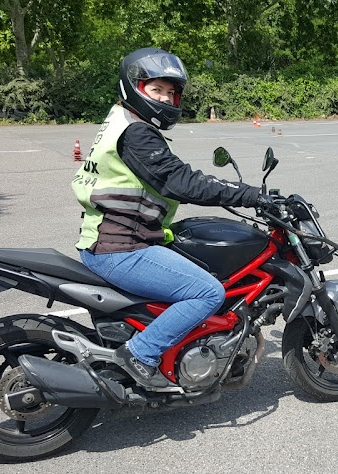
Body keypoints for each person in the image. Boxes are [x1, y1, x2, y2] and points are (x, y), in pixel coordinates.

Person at [72, 47, 272, 389]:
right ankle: (139, 354)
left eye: (170, 92)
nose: (165, 98)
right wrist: (249, 194)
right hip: (121, 247)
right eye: (156, 89)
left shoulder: (121, 120)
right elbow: (177, 180)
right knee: (208, 293)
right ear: (135, 86)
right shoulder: (136, 132)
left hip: (113, 237)